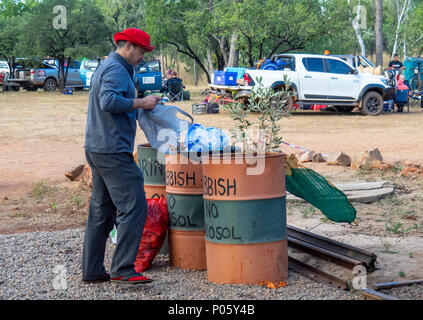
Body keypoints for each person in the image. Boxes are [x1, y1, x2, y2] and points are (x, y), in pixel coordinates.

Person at [82, 28, 161, 284]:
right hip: (112, 150)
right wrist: (141, 103)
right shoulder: (116, 69)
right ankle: (123, 268)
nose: (142, 57)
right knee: (135, 205)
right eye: (140, 51)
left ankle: (92, 271)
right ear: (127, 46)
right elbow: (108, 101)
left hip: (97, 147)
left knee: (101, 212)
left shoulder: (110, 66)